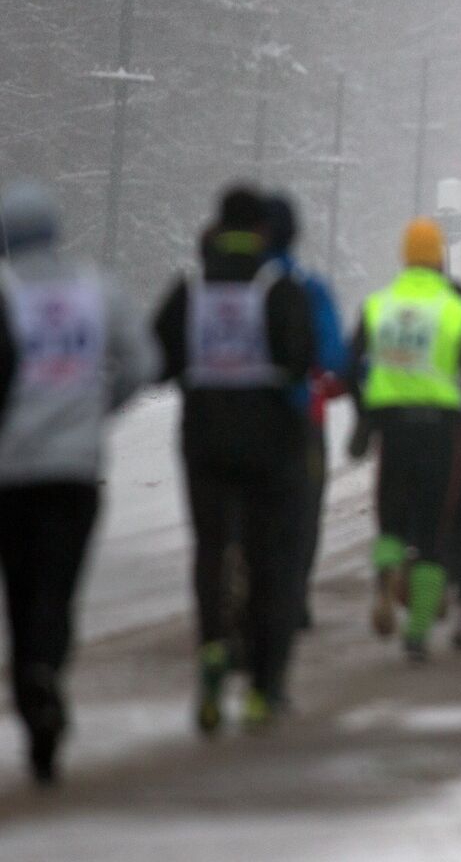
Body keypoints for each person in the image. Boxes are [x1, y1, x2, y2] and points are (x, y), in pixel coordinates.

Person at [0, 182, 156, 785]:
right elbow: (144, 362)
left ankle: (31, 694)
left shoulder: (4, 291)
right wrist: (98, 408)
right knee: (58, 587)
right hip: (74, 469)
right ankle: (47, 672)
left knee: (19, 590)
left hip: (9, 473)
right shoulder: (96, 290)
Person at [153, 185, 315, 730]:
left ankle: (212, 650)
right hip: (269, 441)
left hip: (204, 437)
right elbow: (300, 359)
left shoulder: (191, 287)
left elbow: (160, 357)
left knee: (211, 547)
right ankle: (264, 688)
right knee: (268, 557)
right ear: (263, 232)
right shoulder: (277, 286)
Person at [347, 218, 461, 663]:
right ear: (440, 257)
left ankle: (387, 573)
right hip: (442, 430)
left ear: (404, 255)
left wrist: (365, 414)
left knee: (390, 515)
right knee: (433, 529)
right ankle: (418, 631)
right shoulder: (455, 307)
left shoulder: (378, 305)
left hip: (392, 427)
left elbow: (352, 365)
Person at [262, 195, 348, 632]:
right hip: (300, 421)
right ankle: (292, 596)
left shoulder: (218, 286)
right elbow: (335, 357)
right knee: (302, 512)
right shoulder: (308, 289)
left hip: (233, 424)